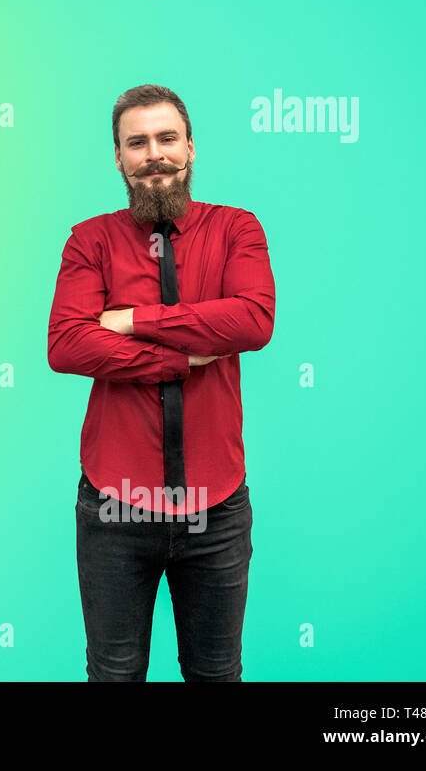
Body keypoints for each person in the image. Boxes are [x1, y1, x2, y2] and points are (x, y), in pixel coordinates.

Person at [47, 84, 276, 681]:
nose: (154, 153)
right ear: (118, 159)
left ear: (191, 148)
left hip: (217, 507)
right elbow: (68, 343)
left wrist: (133, 322)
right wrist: (180, 358)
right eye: (137, 142)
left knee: (217, 672)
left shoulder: (237, 230)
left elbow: (252, 320)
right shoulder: (89, 241)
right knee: (114, 672)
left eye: (166, 138)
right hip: (114, 509)